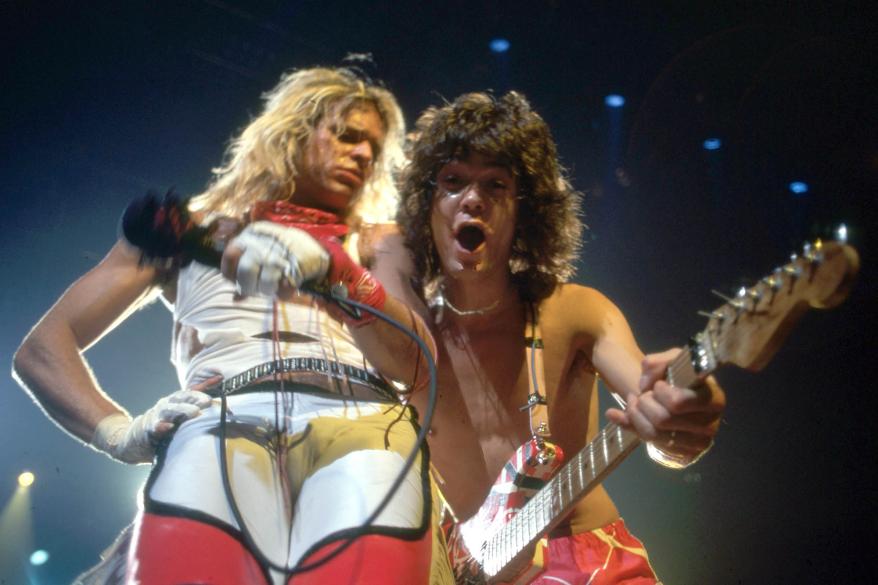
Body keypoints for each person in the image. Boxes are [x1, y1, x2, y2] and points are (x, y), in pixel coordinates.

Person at [12, 67, 452, 585]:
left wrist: (343, 274)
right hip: (221, 415)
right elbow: (42, 348)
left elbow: (418, 365)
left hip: (367, 420)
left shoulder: (380, 241)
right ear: (294, 129)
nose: (362, 155)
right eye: (348, 135)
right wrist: (117, 432)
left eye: (372, 149)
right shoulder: (190, 227)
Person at [373, 92, 727, 584]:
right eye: (452, 182)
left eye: (495, 184)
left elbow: (653, 405)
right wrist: (389, 253)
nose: (471, 199)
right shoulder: (404, 336)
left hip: (582, 563)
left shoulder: (577, 311)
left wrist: (681, 424)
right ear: (425, 204)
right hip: (458, 572)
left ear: (525, 213)